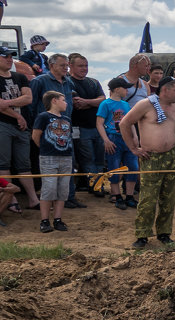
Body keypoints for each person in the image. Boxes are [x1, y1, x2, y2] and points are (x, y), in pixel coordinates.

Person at [120, 77, 175, 248]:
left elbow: (173, 130)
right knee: (148, 198)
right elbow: (124, 123)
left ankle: (164, 233)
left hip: (171, 157)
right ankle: (142, 235)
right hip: (151, 157)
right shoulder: (145, 105)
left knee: (169, 198)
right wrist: (133, 148)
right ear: (165, 90)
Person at [0, 45, 39, 213]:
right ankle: (11, 198)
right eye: (5, 56)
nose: (9, 59)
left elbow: (28, 98)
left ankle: (32, 198)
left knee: (25, 164)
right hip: (4, 124)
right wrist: (17, 115)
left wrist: (7, 103)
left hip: (20, 126)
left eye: (11, 56)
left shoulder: (20, 76)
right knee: (3, 163)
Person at [30, 92, 73, 233]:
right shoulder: (43, 117)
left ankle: (58, 219)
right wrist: (45, 150)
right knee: (49, 188)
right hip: (49, 158)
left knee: (63, 189)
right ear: (54, 101)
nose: (66, 103)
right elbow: (36, 135)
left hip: (66, 157)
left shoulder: (67, 119)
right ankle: (44, 220)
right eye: (63, 100)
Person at [68, 53, 105, 203]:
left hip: (97, 126)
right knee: (87, 159)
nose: (84, 69)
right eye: (80, 66)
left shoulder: (93, 82)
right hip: (80, 128)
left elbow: (103, 100)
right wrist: (94, 102)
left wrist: (87, 102)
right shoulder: (68, 82)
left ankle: (98, 184)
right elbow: (77, 103)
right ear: (71, 66)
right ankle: (96, 186)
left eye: (86, 65)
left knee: (99, 159)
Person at [97, 77, 138, 209]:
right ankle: (117, 196)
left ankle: (130, 196)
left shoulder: (126, 105)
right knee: (114, 168)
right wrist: (106, 140)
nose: (127, 90)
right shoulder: (106, 104)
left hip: (127, 138)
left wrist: (135, 136)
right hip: (113, 137)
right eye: (124, 88)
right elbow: (99, 123)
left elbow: (130, 122)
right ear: (116, 89)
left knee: (133, 167)